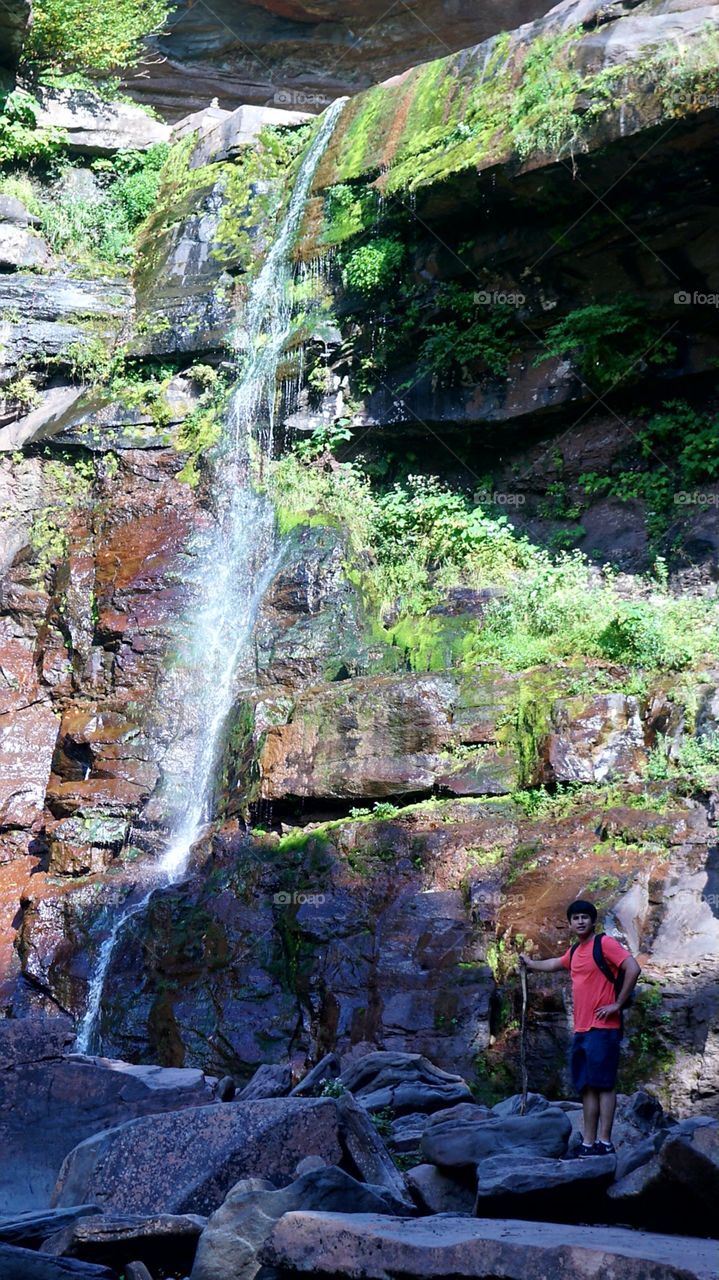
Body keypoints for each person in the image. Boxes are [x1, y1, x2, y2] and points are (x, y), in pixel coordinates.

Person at [520, 898, 641, 1156]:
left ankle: (605, 1142)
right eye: (575, 918)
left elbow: (633, 967)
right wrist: (530, 964)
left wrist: (617, 1004)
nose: (580, 921)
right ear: (570, 923)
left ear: (593, 921)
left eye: (585, 917)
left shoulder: (604, 944)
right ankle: (588, 1142)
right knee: (586, 1086)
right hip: (582, 1029)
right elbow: (555, 963)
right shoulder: (574, 952)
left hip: (604, 1027)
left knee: (604, 1084)